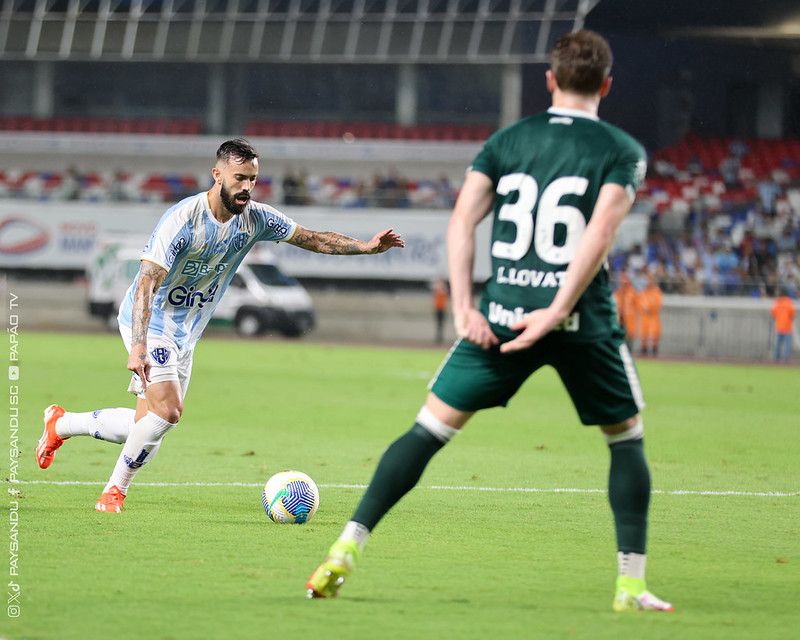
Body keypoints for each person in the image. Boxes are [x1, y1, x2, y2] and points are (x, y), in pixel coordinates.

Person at [306, 30, 673, 613]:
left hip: (499, 317)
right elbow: (600, 233)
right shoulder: (621, 149)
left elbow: (461, 222)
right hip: (580, 321)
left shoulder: (508, 140)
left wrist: (463, 307)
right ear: (606, 86)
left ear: (549, 80)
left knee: (427, 431)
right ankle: (630, 586)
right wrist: (558, 310)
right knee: (625, 438)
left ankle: (344, 549)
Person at [36, 138, 404, 513]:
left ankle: (60, 424)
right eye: (239, 178)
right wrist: (138, 345)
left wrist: (366, 247)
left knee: (146, 426)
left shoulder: (256, 218)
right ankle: (113, 492)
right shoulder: (183, 219)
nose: (246, 187)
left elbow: (311, 238)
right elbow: (147, 281)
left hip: (187, 333)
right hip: (150, 321)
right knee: (169, 412)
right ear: (217, 175)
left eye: (253, 179)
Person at [638, 272, 664, 356]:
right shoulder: (643, 292)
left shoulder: (656, 291)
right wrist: (644, 308)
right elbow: (639, 303)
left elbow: (659, 304)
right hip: (645, 316)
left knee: (654, 333)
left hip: (653, 316)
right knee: (643, 334)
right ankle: (644, 350)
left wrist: (650, 308)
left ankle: (654, 350)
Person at [614, 272, 640, 352]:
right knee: (619, 335)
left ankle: (628, 351)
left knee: (629, 336)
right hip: (619, 318)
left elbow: (637, 305)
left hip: (629, 318)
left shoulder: (632, 292)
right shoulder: (619, 292)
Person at [771, 290, 795, 362]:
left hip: (779, 326)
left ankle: (776, 357)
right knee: (787, 344)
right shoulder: (789, 302)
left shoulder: (777, 302)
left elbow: (773, 313)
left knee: (778, 343)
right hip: (787, 327)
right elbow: (792, 314)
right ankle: (786, 358)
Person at [432, 278, 449, 344]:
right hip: (437, 308)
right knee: (438, 324)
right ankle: (438, 338)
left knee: (441, 324)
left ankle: (440, 338)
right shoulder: (437, 289)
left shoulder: (444, 290)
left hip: (442, 308)